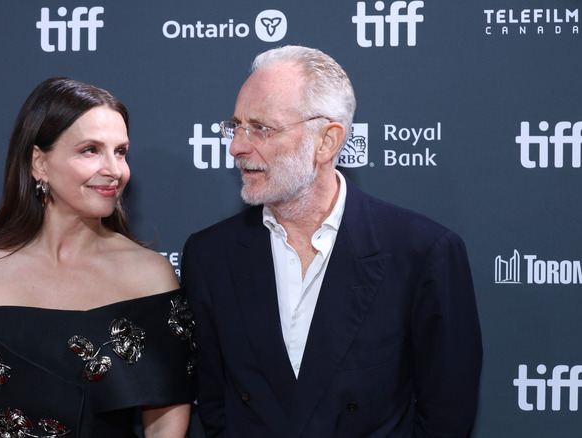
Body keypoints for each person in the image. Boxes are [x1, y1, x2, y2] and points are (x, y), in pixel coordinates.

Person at [181, 46, 482, 437]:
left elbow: (447, 415)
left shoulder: (423, 252)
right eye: (235, 126)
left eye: (261, 128)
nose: (237, 146)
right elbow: (217, 405)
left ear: (326, 142)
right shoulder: (210, 256)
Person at [0, 77, 195, 438]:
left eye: (121, 151)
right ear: (39, 164)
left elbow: (166, 421)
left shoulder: (150, 276)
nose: (114, 169)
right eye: (90, 150)